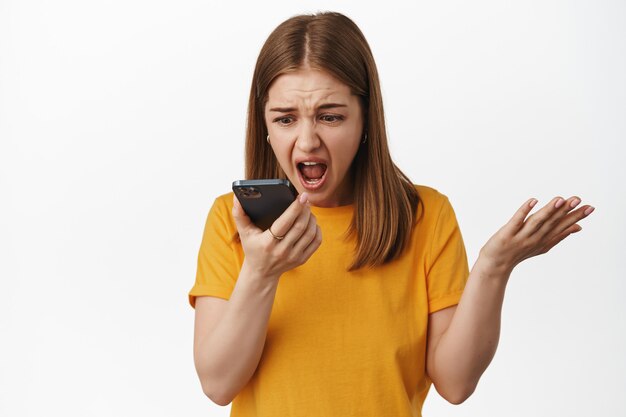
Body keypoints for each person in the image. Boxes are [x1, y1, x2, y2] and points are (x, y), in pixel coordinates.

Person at [188, 11, 594, 417]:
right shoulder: (232, 220)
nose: (307, 140)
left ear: (366, 119)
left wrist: (494, 267)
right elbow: (219, 384)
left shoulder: (426, 217)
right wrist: (261, 271)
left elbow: (455, 383)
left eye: (330, 116)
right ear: (264, 124)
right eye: (285, 119)